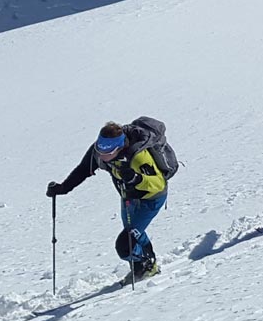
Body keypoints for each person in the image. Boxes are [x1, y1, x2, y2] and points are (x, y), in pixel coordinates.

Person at [46, 118, 176, 283]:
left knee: (125, 245)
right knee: (132, 234)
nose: (102, 156)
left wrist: (136, 179)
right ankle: (140, 267)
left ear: (120, 147)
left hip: (150, 200)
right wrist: (63, 188)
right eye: (100, 151)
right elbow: (84, 169)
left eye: (108, 153)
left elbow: (159, 184)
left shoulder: (138, 157)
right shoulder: (99, 151)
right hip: (128, 197)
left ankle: (149, 265)